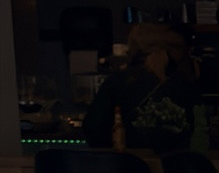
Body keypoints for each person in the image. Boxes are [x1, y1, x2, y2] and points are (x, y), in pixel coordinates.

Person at [82, 21, 206, 153]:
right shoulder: (182, 82)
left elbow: (94, 129)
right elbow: (197, 129)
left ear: (133, 50)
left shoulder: (117, 81)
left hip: (129, 161)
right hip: (176, 162)